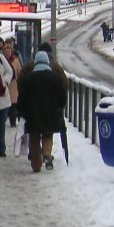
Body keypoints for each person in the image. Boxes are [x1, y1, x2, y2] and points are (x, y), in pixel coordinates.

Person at [17, 51, 67, 173]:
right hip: (51, 113)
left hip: (32, 114)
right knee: (48, 135)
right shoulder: (55, 77)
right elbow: (62, 96)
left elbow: (22, 97)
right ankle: (46, 154)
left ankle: (36, 165)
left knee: (34, 138)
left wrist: (21, 111)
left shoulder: (29, 79)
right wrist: (59, 107)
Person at [36, 42, 68, 170]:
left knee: (36, 131)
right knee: (48, 132)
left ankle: (36, 153)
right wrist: (61, 104)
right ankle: (47, 153)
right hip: (52, 106)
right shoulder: (56, 67)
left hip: (35, 105)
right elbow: (64, 85)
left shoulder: (32, 65)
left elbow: (22, 80)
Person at [2, 38, 22, 128]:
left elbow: (20, 72)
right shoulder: (1, 61)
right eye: (5, 51)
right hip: (5, 86)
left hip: (13, 87)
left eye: (8, 51)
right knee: (6, 105)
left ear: (11, 51)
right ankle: (5, 121)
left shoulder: (15, 61)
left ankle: (12, 123)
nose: (7, 53)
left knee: (13, 106)